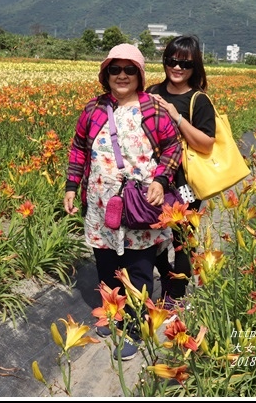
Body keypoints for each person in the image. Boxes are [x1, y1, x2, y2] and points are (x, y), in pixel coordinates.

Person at [63, 43, 182, 361]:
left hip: (139, 205)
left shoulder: (152, 109)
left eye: (130, 69)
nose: (122, 75)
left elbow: (173, 148)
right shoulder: (93, 109)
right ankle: (112, 315)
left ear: (140, 75)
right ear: (105, 73)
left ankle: (134, 327)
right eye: (115, 69)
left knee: (138, 268)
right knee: (105, 266)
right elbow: (78, 150)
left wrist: (160, 180)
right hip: (101, 206)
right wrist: (71, 186)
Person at [146, 35, 216, 313]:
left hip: (186, 183)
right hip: (154, 179)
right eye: (171, 61)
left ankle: (177, 291)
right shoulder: (151, 90)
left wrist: (176, 116)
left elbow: (206, 143)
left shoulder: (199, 100)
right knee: (150, 234)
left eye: (184, 63)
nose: (177, 68)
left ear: (194, 65)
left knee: (182, 237)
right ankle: (165, 275)